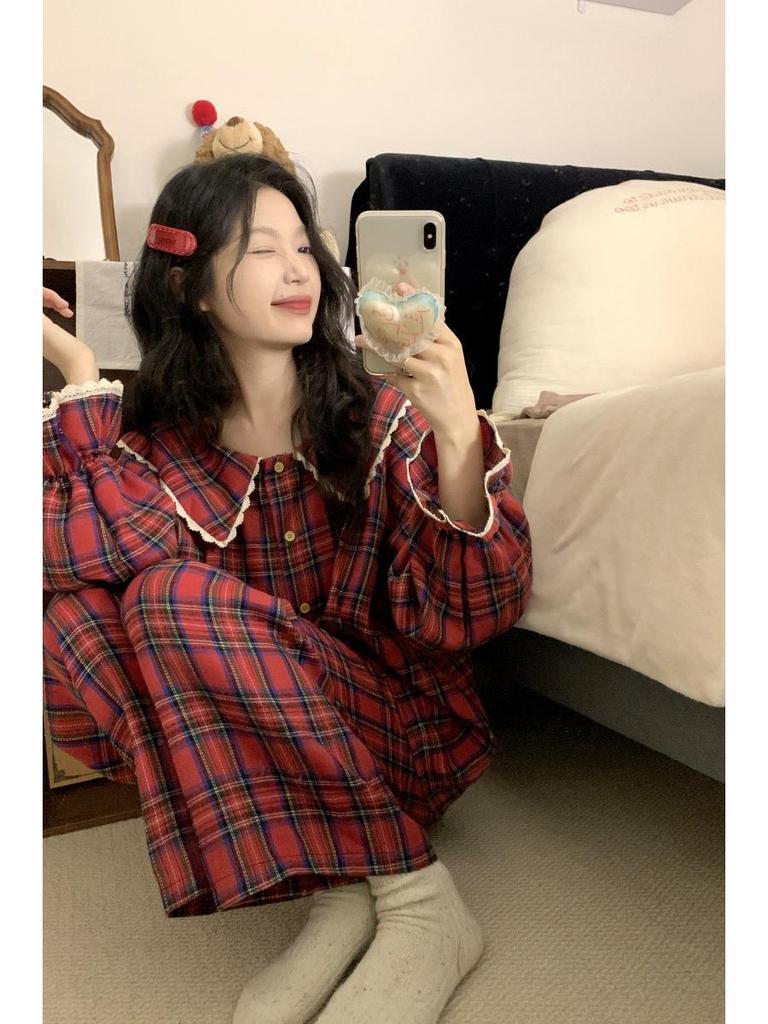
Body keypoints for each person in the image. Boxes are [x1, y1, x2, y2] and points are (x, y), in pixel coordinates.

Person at [42, 153, 533, 1024]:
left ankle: (420, 900)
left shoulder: (377, 415)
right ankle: (342, 886)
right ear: (190, 287)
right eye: (262, 249)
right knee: (82, 610)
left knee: (168, 597)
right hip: (276, 753)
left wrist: (459, 435)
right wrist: (77, 370)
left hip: (403, 736)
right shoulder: (158, 447)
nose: (298, 269)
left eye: (304, 247)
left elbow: (477, 612)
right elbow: (72, 553)